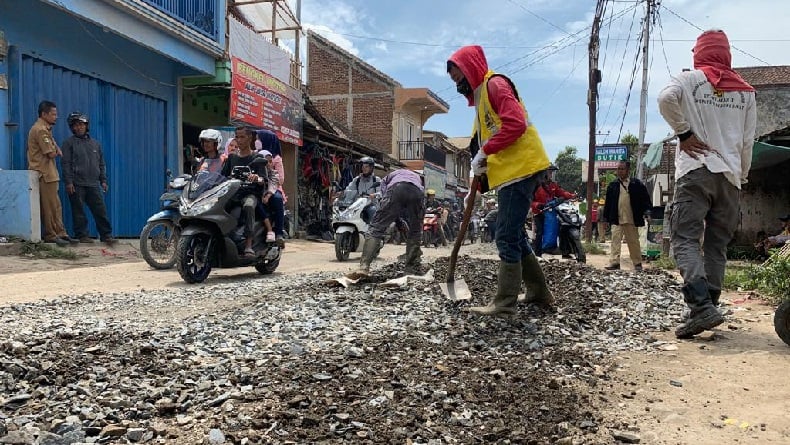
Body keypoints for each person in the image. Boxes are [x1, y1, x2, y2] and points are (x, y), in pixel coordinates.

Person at [657, 29, 757, 339]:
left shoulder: (688, 80)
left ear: (699, 53)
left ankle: (701, 308)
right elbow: (746, 143)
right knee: (716, 246)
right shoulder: (746, 92)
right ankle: (707, 308)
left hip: (697, 170)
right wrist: (740, 177)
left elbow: (664, 99)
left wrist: (684, 134)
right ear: (726, 53)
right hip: (730, 177)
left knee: (685, 239)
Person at [447, 45, 554, 315]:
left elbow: (515, 125)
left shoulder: (495, 85)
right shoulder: (482, 98)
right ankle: (539, 292)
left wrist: (486, 151)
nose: (458, 85)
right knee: (515, 234)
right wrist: (479, 171)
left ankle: (504, 302)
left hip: (521, 169)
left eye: (459, 78)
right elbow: (483, 143)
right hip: (511, 173)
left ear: (470, 69)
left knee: (505, 236)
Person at [347, 168, 425, 278]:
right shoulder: (418, 180)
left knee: (375, 228)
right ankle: (410, 269)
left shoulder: (390, 176)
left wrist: (387, 212)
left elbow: (385, 196)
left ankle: (364, 267)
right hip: (416, 193)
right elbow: (420, 200)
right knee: (415, 231)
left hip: (396, 189)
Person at [222, 126, 279, 256]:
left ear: (250, 138)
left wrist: (256, 178)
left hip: (250, 194)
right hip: (232, 194)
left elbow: (263, 179)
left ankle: (248, 244)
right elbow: (222, 177)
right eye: (237, 137)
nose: (239, 140)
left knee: (248, 206)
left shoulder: (257, 157)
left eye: (242, 137)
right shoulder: (231, 158)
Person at [61, 112, 116, 245]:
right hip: (77, 183)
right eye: (75, 125)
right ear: (72, 127)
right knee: (78, 211)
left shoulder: (95, 144)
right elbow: (65, 164)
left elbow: (101, 163)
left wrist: (103, 180)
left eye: (81, 124)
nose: (79, 127)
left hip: (93, 183)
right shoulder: (68, 143)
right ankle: (82, 235)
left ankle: (106, 235)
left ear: (86, 126)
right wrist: (68, 182)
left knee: (100, 210)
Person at [27, 101, 76, 247]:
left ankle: (61, 233)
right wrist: (56, 150)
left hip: (50, 173)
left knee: (56, 206)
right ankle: (51, 234)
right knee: (49, 207)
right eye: (53, 114)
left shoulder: (46, 129)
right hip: (44, 173)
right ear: (44, 114)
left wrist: (55, 148)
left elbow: (53, 148)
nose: (56, 117)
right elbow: (51, 153)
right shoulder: (40, 130)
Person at [601, 160, 652, 271]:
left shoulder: (636, 184)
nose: (619, 171)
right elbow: (608, 203)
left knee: (633, 242)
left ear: (628, 170)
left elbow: (645, 200)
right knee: (615, 241)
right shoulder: (613, 185)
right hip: (616, 218)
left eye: (622, 169)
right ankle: (614, 263)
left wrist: (647, 212)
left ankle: (637, 263)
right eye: (618, 169)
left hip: (631, 219)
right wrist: (605, 219)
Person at [530, 165, 575, 256]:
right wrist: (537, 205)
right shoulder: (535, 185)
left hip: (551, 211)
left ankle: (564, 251)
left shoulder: (553, 185)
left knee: (563, 227)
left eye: (552, 172)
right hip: (539, 212)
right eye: (549, 172)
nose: (551, 174)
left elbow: (561, 193)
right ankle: (538, 254)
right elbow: (529, 200)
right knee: (540, 232)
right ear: (543, 173)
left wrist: (572, 195)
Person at [345, 156, 381, 225]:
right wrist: (341, 193)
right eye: (363, 166)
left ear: (371, 168)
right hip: (357, 205)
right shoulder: (357, 180)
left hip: (371, 205)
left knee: (372, 210)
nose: (364, 168)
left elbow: (382, 192)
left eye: (366, 166)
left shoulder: (376, 179)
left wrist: (375, 195)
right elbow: (349, 189)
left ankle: (373, 232)